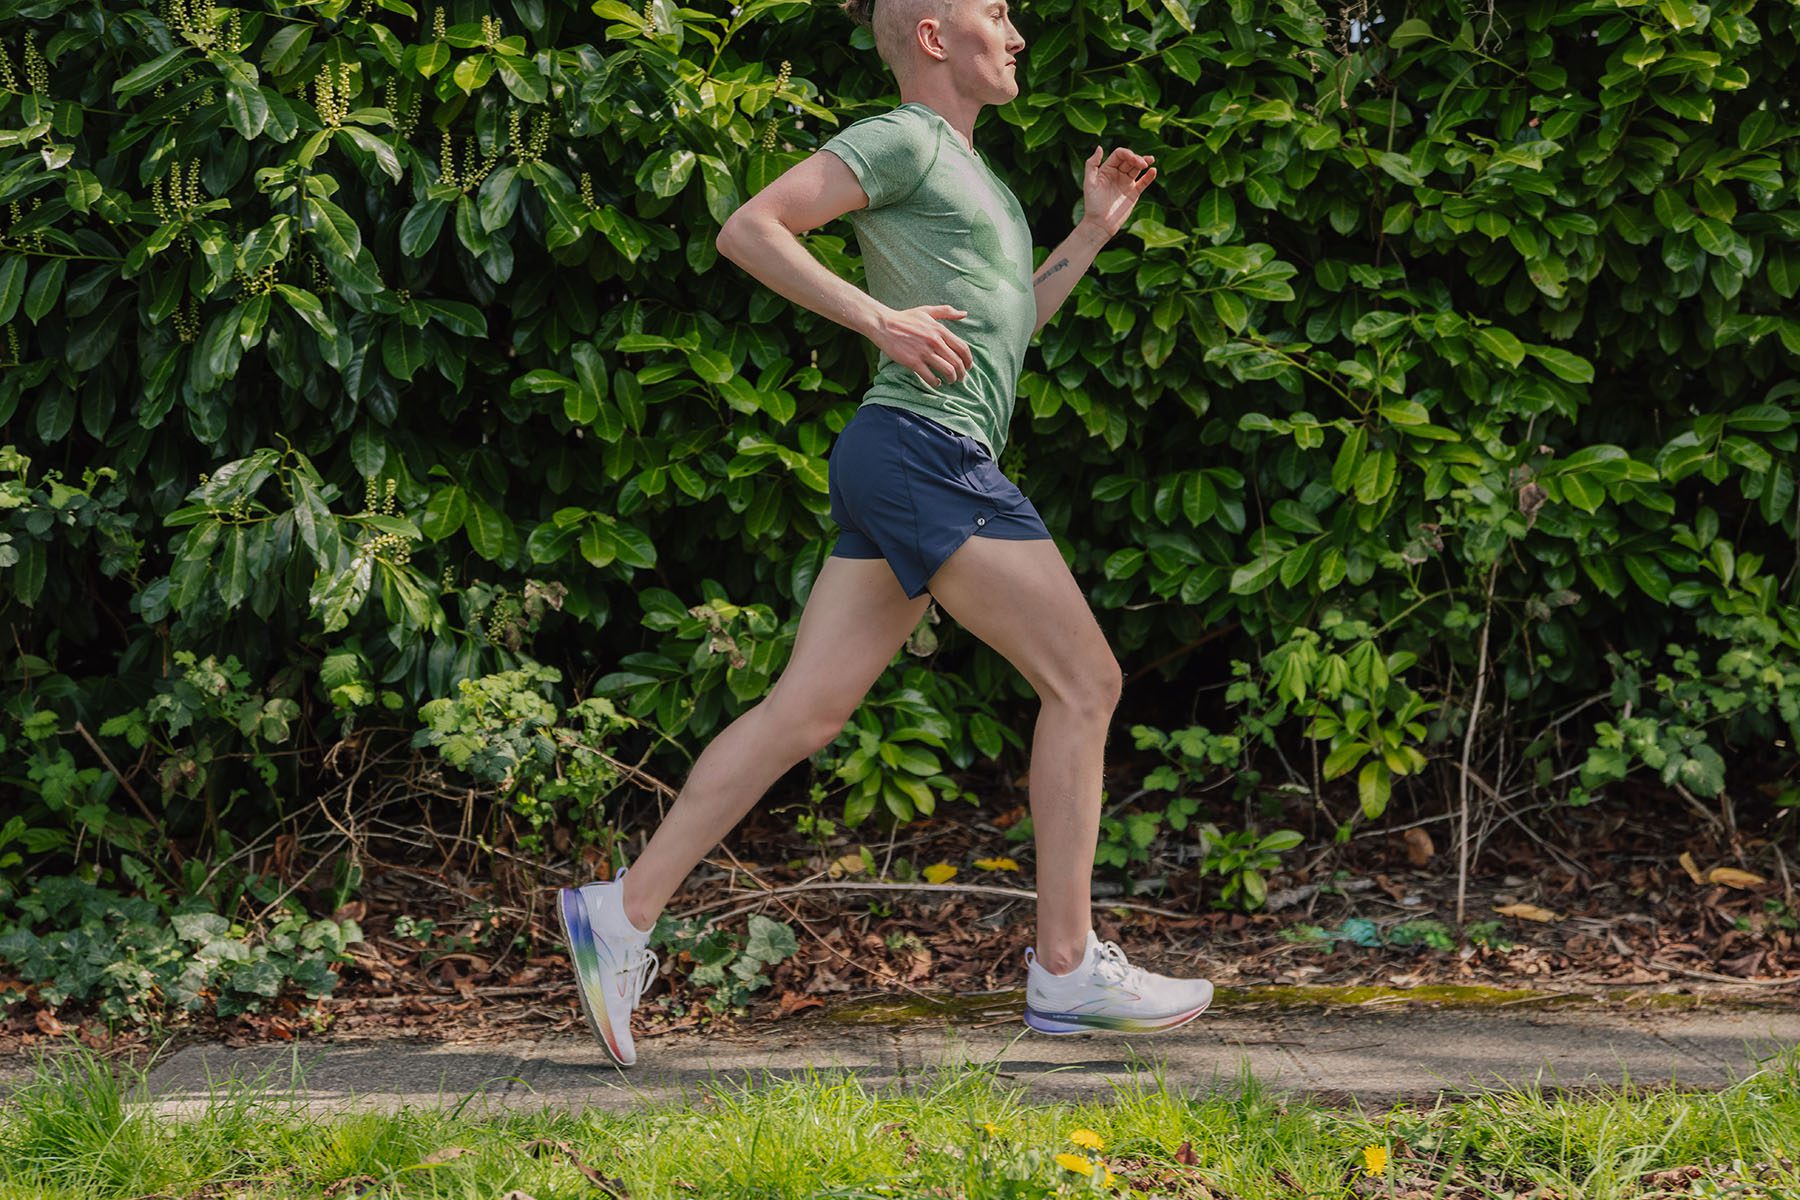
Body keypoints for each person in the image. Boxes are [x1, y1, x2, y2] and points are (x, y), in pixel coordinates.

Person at [558, 0, 1213, 1068]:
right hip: (922, 454)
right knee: (1085, 683)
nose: (1016, 32)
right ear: (933, 36)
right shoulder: (903, 138)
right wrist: (877, 318)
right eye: (993, 11)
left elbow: (1002, 335)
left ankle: (619, 915)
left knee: (802, 712)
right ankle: (1065, 969)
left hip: (904, 454)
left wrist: (1089, 236)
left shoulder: (976, 178)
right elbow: (750, 227)